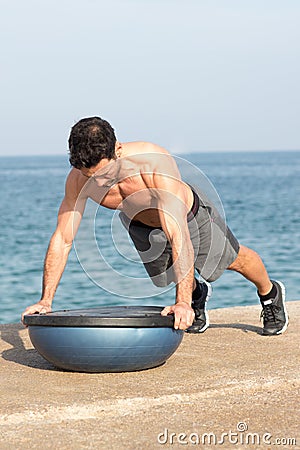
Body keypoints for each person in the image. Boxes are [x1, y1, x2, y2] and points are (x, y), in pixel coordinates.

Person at [21, 117, 288, 335]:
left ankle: (269, 293)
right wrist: (46, 301)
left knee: (233, 260)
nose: (100, 184)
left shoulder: (153, 164)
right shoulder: (79, 180)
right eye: (92, 177)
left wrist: (181, 303)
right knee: (170, 276)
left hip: (187, 218)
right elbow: (63, 239)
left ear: (118, 150)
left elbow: (178, 235)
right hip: (141, 226)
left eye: (105, 175)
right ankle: (197, 294)